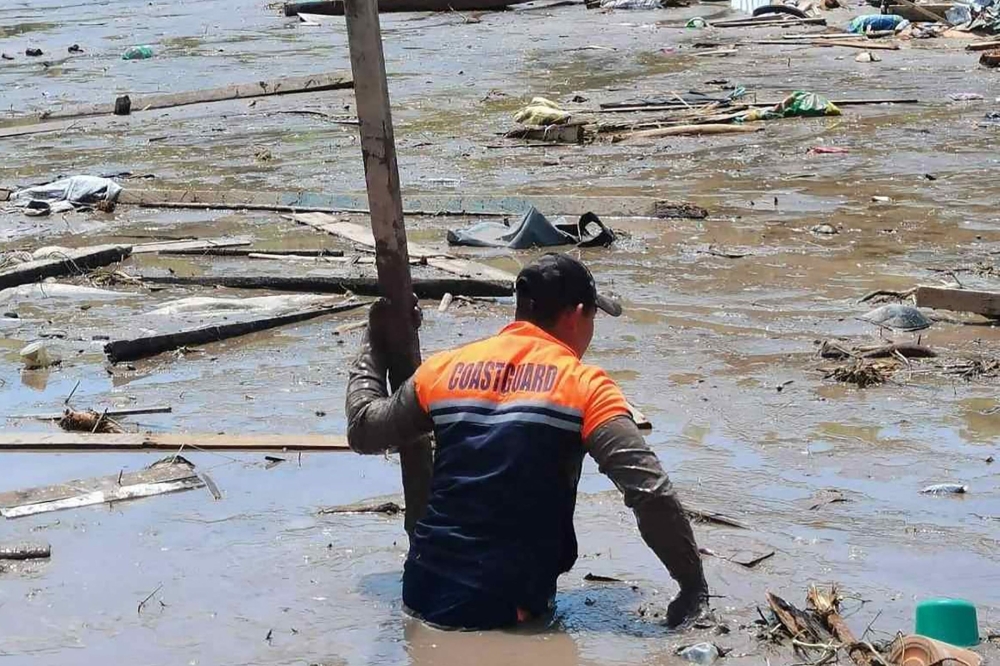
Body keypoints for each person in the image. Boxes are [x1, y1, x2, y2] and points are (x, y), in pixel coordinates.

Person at [345, 253, 709, 631]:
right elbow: (650, 492)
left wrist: (374, 344)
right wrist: (693, 588)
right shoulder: (584, 386)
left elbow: (364, 429)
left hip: (419, 591)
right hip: (504, 607)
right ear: (575, 314)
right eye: (593, 318)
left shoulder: (444, 368)